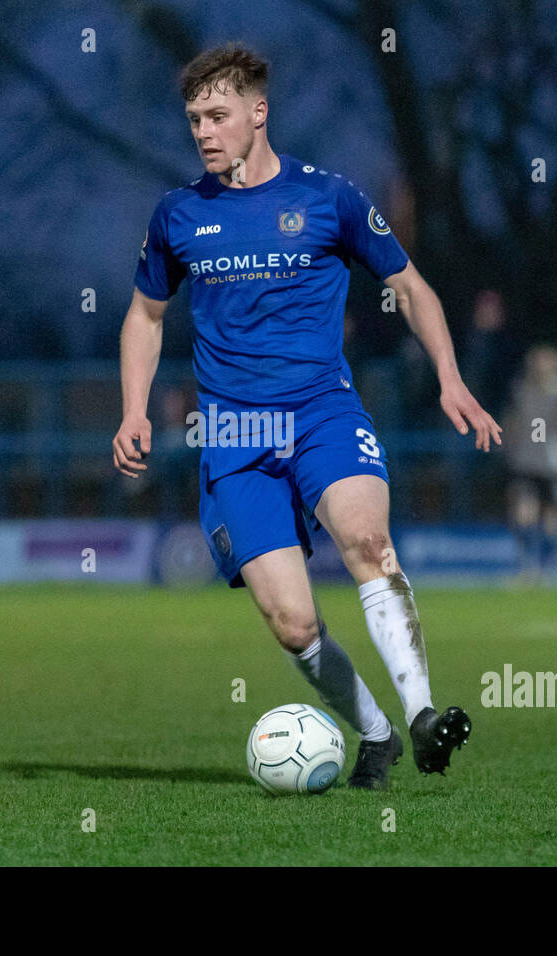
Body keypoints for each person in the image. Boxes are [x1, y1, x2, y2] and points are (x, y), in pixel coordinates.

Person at [112, 44, 501, 790]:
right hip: (233, 438)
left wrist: (451, 379)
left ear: (259, 113)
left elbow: (414, 289)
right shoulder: (179, 214)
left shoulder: (331, 198)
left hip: (322, 412)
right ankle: (378, 736)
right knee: (292, 623)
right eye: (195, 118)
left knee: (366, 537)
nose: (204, 131)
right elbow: (143, 316)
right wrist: (134, 410)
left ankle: (422, 717)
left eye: (218, 115)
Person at [504, 346, 557, 581]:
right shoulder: (520, 391)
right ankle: (527, 569)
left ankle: (548, 570)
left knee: (553, 516)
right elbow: (512, 422)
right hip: (525, 462)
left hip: (554, 463)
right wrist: (509, 449)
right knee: (523, 514)